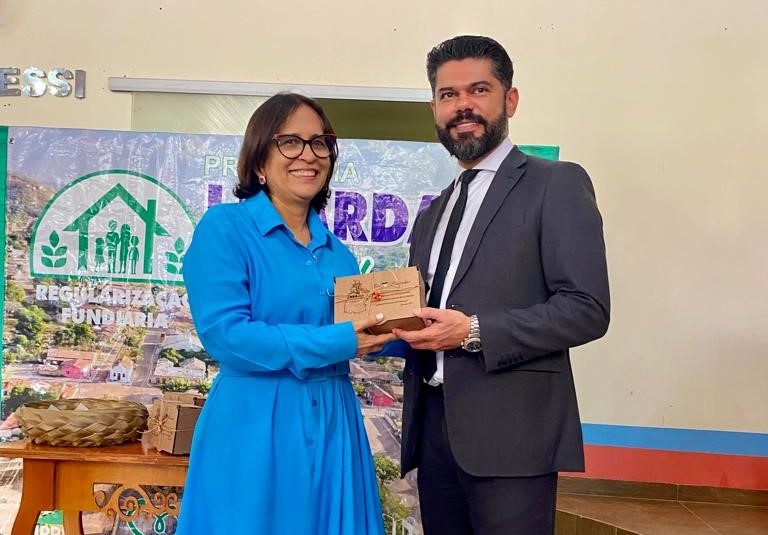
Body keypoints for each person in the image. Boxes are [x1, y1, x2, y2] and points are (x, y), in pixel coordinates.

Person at [391, 36, 610, 535]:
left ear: (509, 100)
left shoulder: (555, 184)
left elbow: (587, 308)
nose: (462, 105)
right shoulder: (433, 212)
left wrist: (472, 331)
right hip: (433, 431)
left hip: (514, 437)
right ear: (434, 109)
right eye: (448, 94)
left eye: (479, 90)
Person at [177, 93, 394, 535]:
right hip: (255, 422)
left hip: (334, 420)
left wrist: (403, 330)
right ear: (260, 159)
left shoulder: (338, 252)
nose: (308, 155)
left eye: (320, 143)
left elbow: (361, 333)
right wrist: (341, 341)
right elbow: (226, 336)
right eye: (290, 142)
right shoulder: (225, 228)